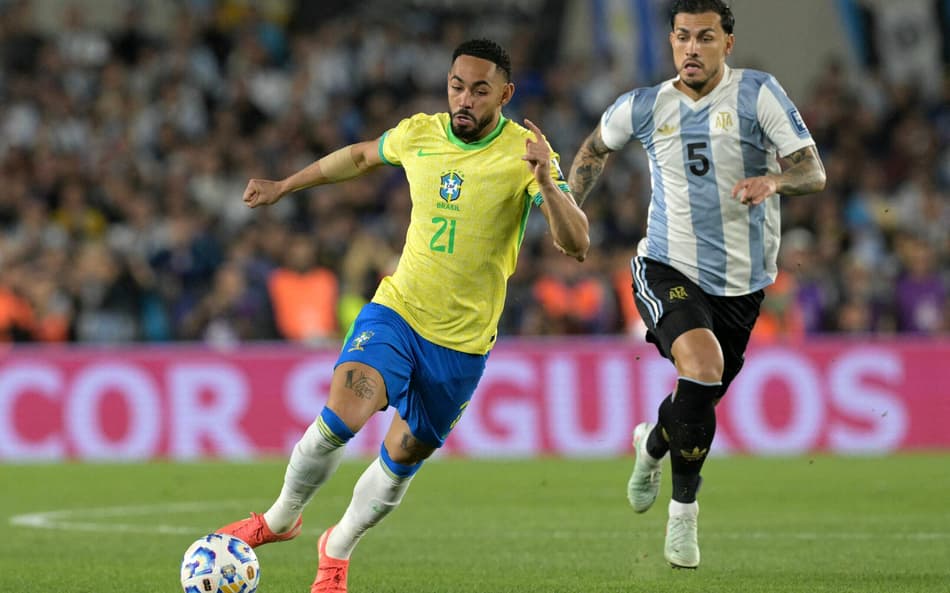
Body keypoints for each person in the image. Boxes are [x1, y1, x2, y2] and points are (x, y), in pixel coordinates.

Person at [215, 38, 589, 592]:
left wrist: (543, 183)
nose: (464, 99)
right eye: (457, 86)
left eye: (480, 90)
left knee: (403, 456)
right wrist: (283, 186)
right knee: (343, 412)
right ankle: (280, 518)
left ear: (505, 94)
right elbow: (362, 156)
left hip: (461, 343)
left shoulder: (526, 154)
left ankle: (336, 548)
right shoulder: (421, 132)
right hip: (398, 312)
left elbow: (576, 242)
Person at [567, 0, 825, 569]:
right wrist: (570, 214)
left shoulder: (759, 93)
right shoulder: (644, 105)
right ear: (671, 42)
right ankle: (684, 516)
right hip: (667, 265)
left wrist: (774, 181)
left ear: (727, 44)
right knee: (703, 368)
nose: (691, 48)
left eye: (704, 37)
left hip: (743, 285)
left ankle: (651, 445)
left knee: (697, 397)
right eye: (682, 36)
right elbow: (592, 150)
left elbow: (814, 170)